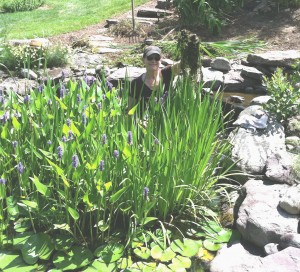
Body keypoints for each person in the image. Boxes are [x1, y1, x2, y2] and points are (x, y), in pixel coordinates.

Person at [128, 46, 180, 112]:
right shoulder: (135, 83)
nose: (153, 61)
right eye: (150, 58)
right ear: (143, 60)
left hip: (166, 120)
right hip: (143, 121)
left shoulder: (167, 73)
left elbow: (182, 64)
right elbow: (130, 111)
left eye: (157, 58)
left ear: (160, 60)